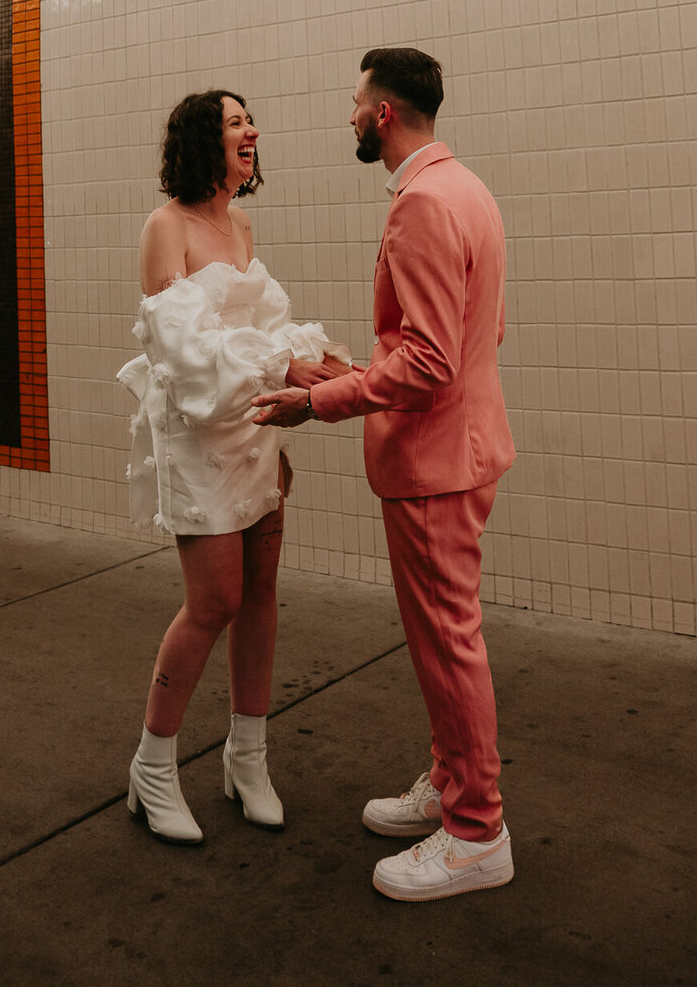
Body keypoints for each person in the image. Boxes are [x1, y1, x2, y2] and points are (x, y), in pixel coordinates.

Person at [252, 47, 516, 901]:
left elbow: (430, 362)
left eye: (357, 103)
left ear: (386, 113)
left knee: (447, 642)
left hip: (434, 462)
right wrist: (348, 370)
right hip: (460, 447)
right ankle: (449, 784)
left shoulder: (421, 205)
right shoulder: (466, 188)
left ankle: (477, 831)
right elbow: (469, 338)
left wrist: (319, 403)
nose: (351, 116)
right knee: (445, 641)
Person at [118, 89, 347, 844]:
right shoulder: (166, 227)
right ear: (199, 142)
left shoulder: (241, 224)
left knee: (261, 597)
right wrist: (285, 361)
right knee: (212, 601)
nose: (251, 132)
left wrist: (312, 361)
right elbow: (183, 358)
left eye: (249, 121)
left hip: (257, 430)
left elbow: (265, 328)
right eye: (233, 123)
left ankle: (247, 759)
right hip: (198, 437)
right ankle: (153, 770)